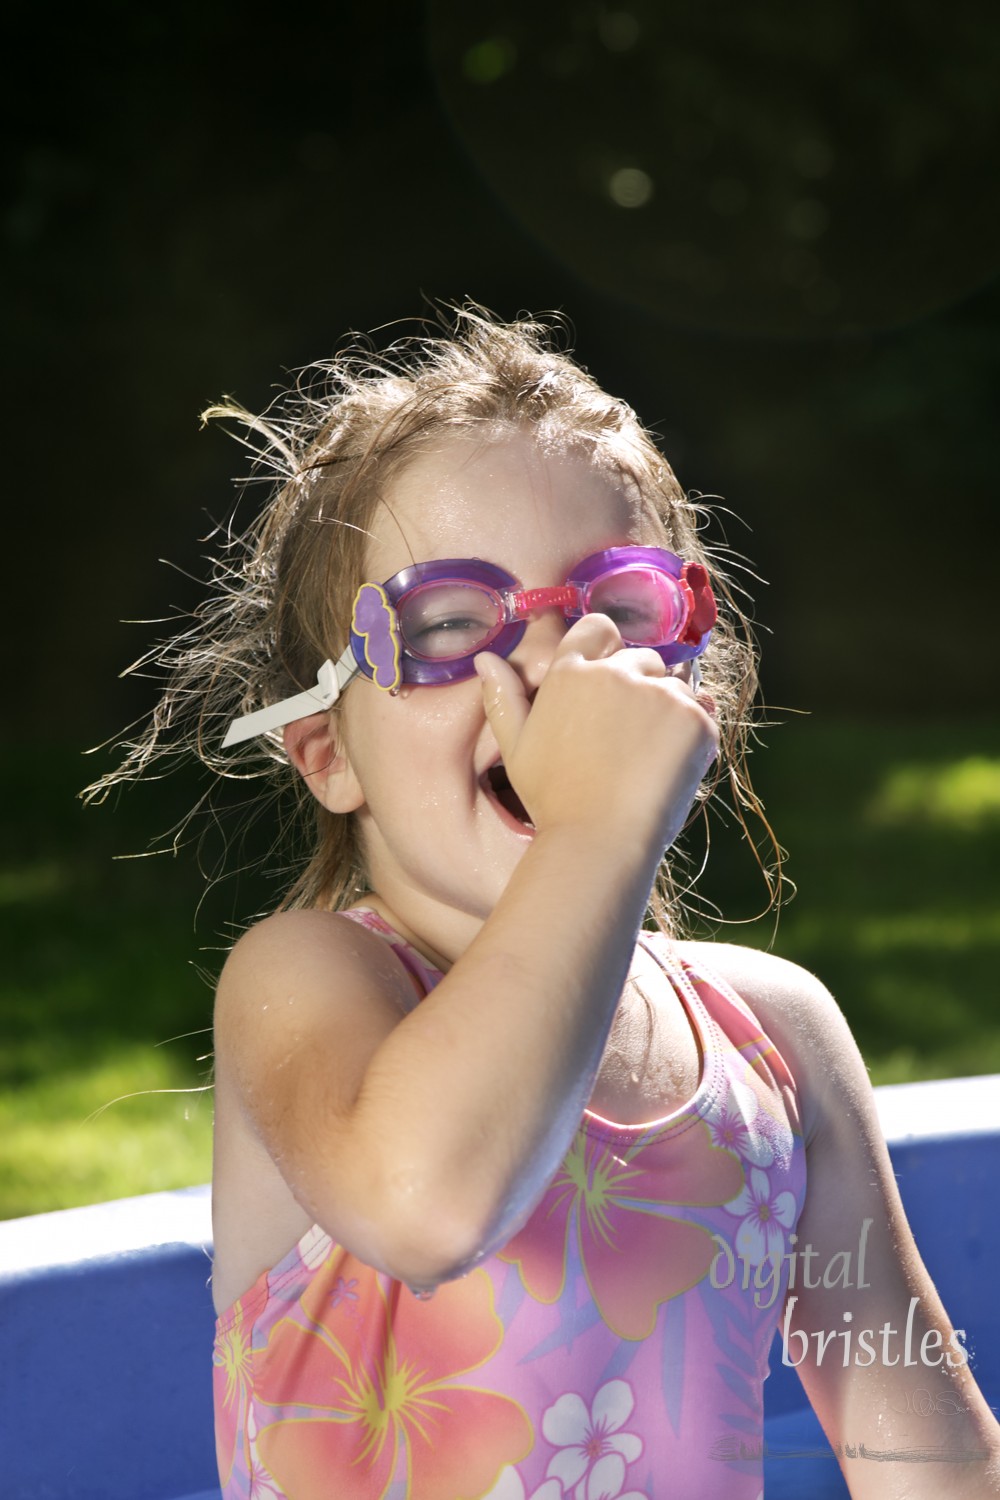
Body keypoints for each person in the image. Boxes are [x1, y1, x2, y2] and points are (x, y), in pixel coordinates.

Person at [91, 308, 999, 1498]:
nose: (546, 667)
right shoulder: (312, 979)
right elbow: (425, 1206)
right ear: (325, 751)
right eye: (450, 625)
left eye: (613, 611)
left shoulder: (774, 1041)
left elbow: (922, 1458)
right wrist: (590, 835)